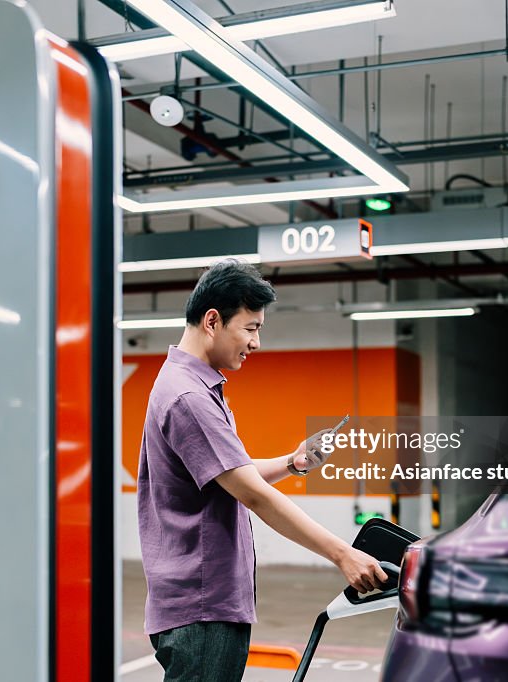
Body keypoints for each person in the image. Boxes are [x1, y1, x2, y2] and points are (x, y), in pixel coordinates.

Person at [137, 259, 388, 681]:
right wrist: (342, 554)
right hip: (202, 607)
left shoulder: (192, 386)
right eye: (251, 328)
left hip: (203, 603)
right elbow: (252, 494)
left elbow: (232, 475)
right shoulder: (188, 398)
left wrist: (294, 462)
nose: (255, 343)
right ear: (213, 321)